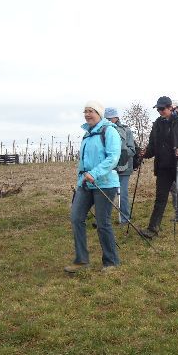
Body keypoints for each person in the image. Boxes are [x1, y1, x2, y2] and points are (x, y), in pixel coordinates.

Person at [65, 101, 121, 274]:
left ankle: (111, 262)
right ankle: (81, 260)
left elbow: (113, 158)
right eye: (85, 111)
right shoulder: (87, 134)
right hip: (85, 183)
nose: (87, 114)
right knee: (76, 217)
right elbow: (84, 162)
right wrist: (80, 180)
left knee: (103, 223)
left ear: (99, 113)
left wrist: (95, 173)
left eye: (91, 111)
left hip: (105, 182)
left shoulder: (109, 131)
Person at [140, 96, 178, 238]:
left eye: (162, 109)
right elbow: (153, 146)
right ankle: (152, 229)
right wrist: (145, 153)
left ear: (170, 108)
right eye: (158, 109)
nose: (160, 111)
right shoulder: (157, 124)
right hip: (163, 167)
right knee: (160, 199)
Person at [104, 107, 136, 225]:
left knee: (122, 194)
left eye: (110, 118)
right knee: (106, 194)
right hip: (109, 167)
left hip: (125, 167)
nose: (108, 120)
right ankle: (103, 218)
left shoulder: (126, 130)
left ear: (116, 118)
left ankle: (125, 219)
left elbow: (132, 150)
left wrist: (121, 152)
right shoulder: (103, 130)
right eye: (106, 118)